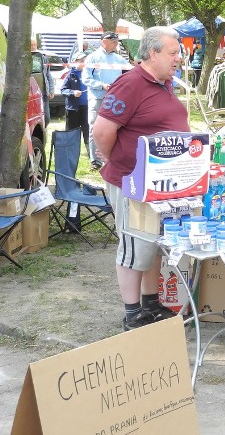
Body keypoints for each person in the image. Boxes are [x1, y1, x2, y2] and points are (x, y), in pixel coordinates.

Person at [92, 26, 189, 331]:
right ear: (152, 53)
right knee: (136, 245)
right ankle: (132, 313)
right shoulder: (131, 83)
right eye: (173, 53)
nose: (179, 59)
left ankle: (151, 304)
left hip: (161, 182)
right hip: (133, 181)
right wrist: (117, 160)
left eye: (179, 53)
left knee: (154, 244)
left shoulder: (163, 82)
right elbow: (102, 132)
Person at [83, 31, 128, 169]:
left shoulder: (119, 59)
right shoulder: (92, 58)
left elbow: (128, 76)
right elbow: (86, 79)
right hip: (97, 97)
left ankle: (112, 158)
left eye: (116, 41)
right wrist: (101, 85)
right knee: (94, 128)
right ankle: (95, 160)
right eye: (113, 41)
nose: (116, 43)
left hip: (115, 99)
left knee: (115, 128)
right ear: (104, 41)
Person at [60, 51, 89, 147]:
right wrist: (73, 93)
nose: (83, 63)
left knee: (88, 133)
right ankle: (71, 153)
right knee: (71, 134)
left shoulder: (91, 74)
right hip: (73, 109)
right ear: (75, 62)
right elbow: (63, 90)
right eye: (81, 61)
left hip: (88, 108)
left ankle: (92, 157)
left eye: (85, 61)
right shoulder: (70, 74)